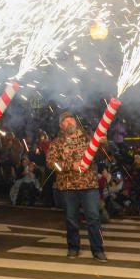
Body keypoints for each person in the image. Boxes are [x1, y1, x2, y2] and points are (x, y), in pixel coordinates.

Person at [49, 112, 107, 261]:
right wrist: (69, 166)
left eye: (71, 121)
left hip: (89, 184)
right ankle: (73, 247)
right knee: (71, 219)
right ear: (61, 125)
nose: (69, 124)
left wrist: (103, 144)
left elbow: (101, 156)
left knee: (93, 217)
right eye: (65, 122)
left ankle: (98, 249)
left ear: (76, 122)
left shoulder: (88, 138)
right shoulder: (57, 142)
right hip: (68, 186)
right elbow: (51, 163)